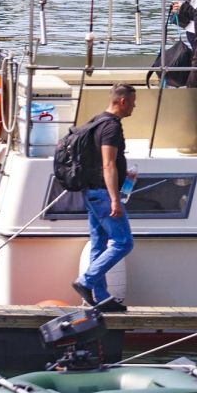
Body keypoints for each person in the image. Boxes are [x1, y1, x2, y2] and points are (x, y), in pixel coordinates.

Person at [72, 83, 136, 313]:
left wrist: (124, 173)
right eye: (133, 103)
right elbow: (108, 164)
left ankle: (100, 298)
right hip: (102, 193)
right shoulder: (111, 127)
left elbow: (101, 162)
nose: (134, 107)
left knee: (98, 244)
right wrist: (115, 200)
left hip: (92, 191)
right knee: (123, 242)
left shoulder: (97, 121)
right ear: (122, 102)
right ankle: (86, 281)